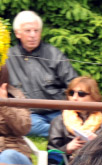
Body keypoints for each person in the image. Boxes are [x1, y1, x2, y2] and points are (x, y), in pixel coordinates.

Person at [6, 10, 78, 138]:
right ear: (18, 33)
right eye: (28, 31)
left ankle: (61, 129)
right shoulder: (8, 57)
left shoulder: (53, 53)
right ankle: (62, 132)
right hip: (29, 114)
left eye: (36, 30)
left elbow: (74, 83)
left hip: (57, 110)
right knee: (28, 127)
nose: (33, 35)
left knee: (69, 121)